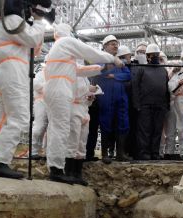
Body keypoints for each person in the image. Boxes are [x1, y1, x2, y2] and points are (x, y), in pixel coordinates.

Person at [44, 24, 122, 183]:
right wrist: (112, 58)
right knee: (61, 129)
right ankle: (56, 169)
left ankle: (60, 169)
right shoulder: (65, 42)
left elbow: (81, 70)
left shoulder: (62, 53)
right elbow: (90, 53)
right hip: (60, 89)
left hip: (60, 89)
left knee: (63, 130)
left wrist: (102, 69)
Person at [0, 6, 47, 179]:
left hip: (3, 70)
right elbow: (33, 39)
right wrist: (40, 21)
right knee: (19, 117)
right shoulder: (12, 19)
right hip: (13, 71)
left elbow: (34, 48)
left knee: (1, 118)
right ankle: (0, 161)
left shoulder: (1, 22)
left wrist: (33, 24)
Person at [95, 35, 131, 163]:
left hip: (120, 96)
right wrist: (109, 73)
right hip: (106, 95)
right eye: (112, 44)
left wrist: (113, 76)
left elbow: (127, 75)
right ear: (105, 47)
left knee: (123, 123)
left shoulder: (118, 61)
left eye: (116, 44)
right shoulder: (100, 59)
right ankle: (105, 154)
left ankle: (120, 153)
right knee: (106, 123)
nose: (115, 46)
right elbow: (97, 72)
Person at [66, 60, 103, 185]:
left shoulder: (85, 78)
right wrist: (87, 90)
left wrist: (90, 97)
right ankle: (69, 172)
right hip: (74, 108)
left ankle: (78, 173)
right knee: (73, 140)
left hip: (84, 110)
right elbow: (71, 92)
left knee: (82, 142)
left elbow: (85, 97)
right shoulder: (71, 75)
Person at [132, 43, 170, 160]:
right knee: (145, 130)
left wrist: (166, 104)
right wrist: (136, 103)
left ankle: (154, 152)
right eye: (152, 55)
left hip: (160, 105)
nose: (154, 57)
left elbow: (166, 88)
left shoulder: (163, 70)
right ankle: (144, 152)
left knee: (157, 130)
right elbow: (135, 87)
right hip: (145, 105)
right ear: (147, 56)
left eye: (156, 55)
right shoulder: (142, 69)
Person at [31, 63, 49, 159]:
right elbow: (36, 85)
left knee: (51, 130)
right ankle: (34, 151)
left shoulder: (56, 74)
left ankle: (47, 152)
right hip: (41, 102)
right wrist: (49, 87)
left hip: (52, 103)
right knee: (39, 126)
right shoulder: (41, 74)